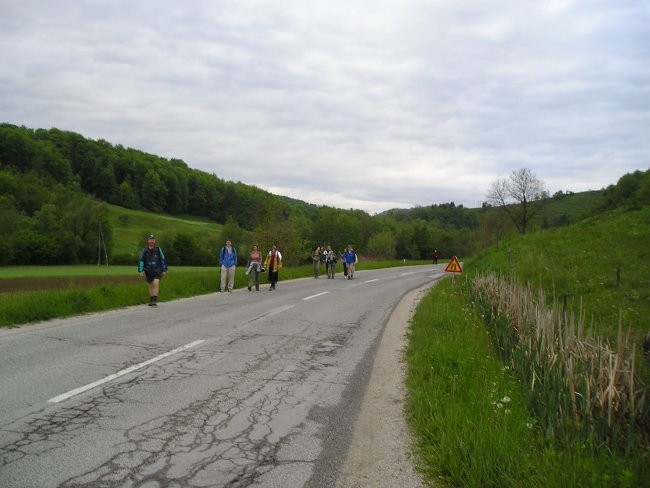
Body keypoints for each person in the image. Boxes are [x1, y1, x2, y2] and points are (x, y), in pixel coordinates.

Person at [138, 234, 168, 307]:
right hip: (148, 271)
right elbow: (141, 260)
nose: (151, 241)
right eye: (150, 239)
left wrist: (164, 269)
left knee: (155, 283)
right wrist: (140, 270)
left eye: (153, 240)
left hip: (157, 270)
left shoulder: (158, 249)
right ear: (148, 241)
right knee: (150, 285)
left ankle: (154, 300)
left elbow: (162, 259)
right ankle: (151, 300)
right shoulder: (144, 250)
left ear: (154, 241)